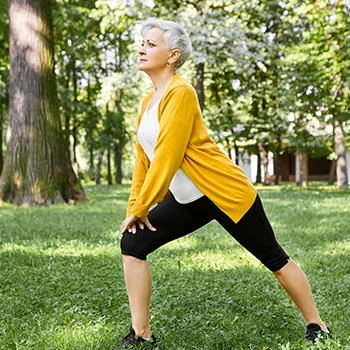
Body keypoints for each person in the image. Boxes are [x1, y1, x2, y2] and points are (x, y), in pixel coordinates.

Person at [118, 18, 330, 347]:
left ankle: (317, 325)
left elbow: (167, 155)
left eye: (150, 44)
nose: (141, 49)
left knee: (274, 258)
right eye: (142, 43)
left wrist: (145, 205)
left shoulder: (181, 92)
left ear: (172, 55)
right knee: (132, 244)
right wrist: (136, 208)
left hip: (223, 192)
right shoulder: (148, 103)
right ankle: (141, 333)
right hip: (188, 199)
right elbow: (144, 162)